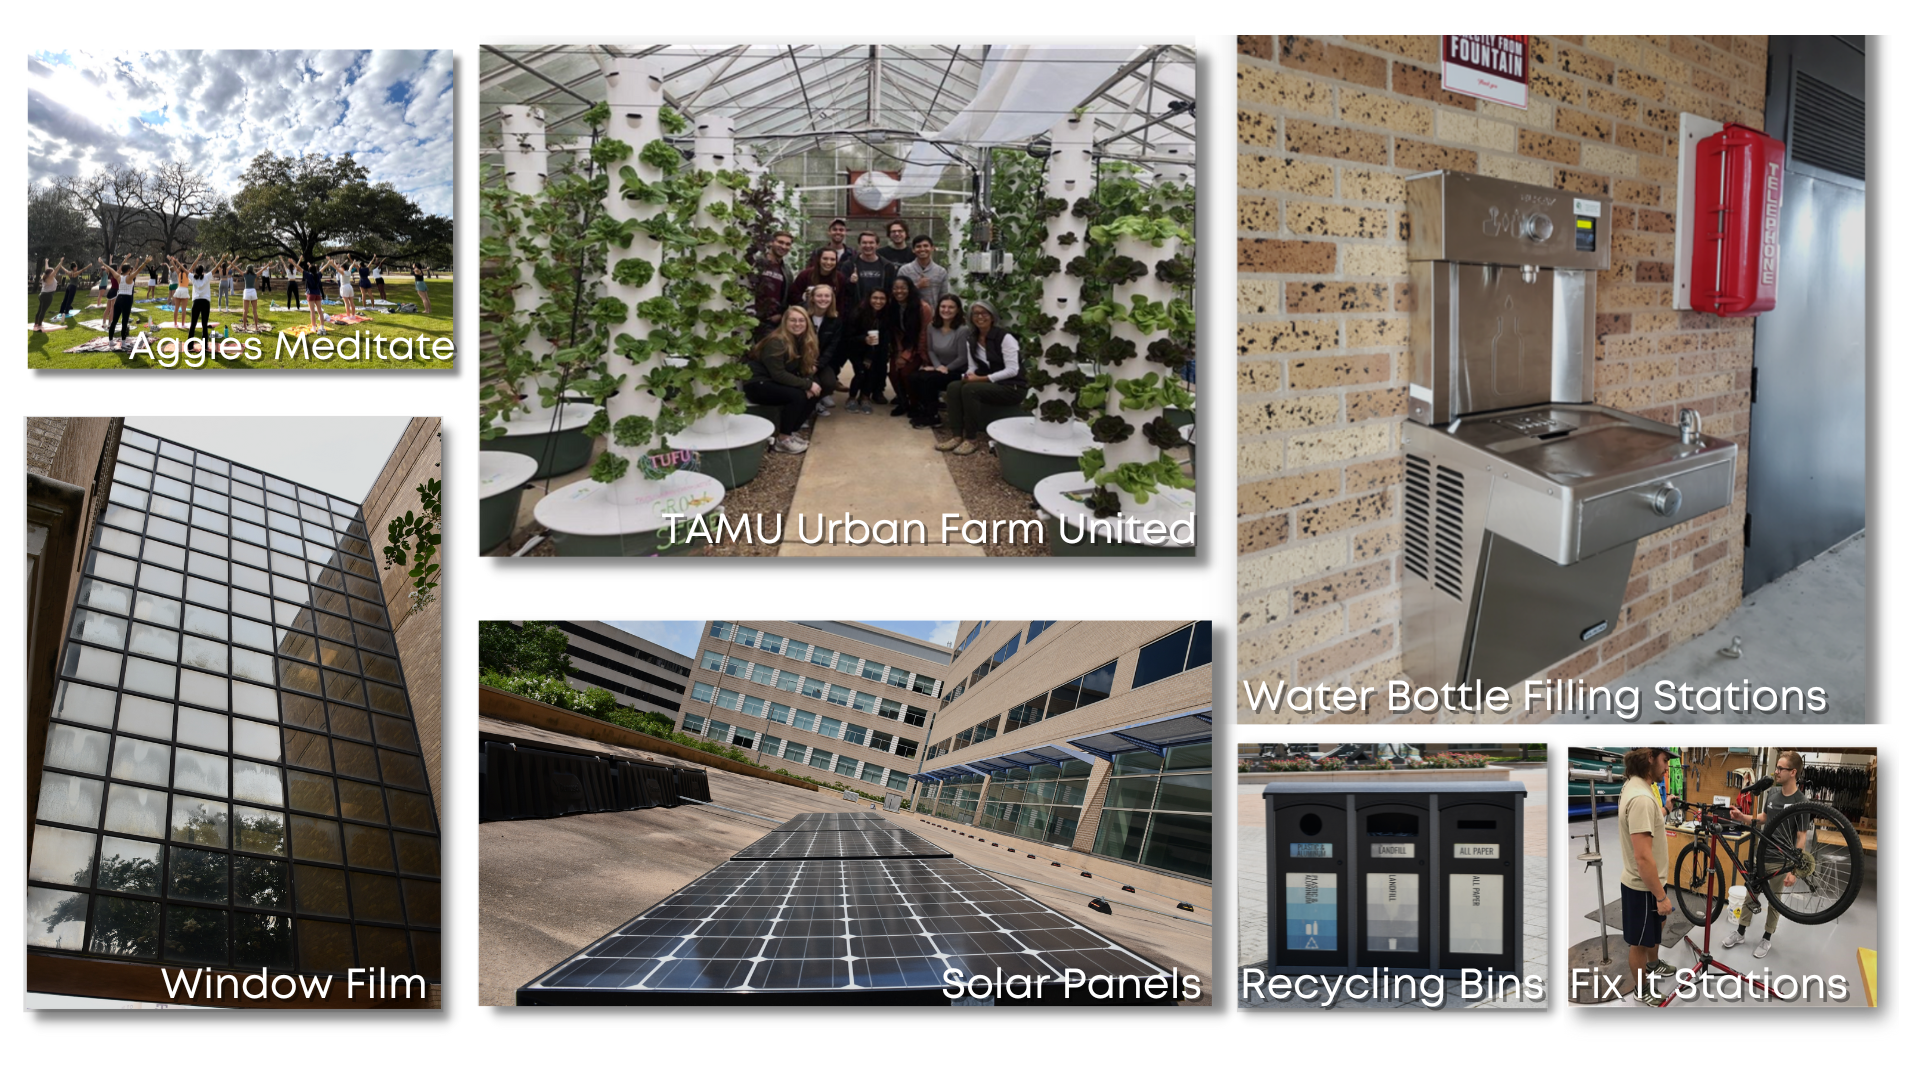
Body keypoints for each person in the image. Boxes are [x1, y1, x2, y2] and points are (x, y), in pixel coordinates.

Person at [1724, 750, 1816, 959]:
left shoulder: (1801, 801)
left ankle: (1766, 938)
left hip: (1781, 861)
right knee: (1751, 894)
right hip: (1762, 856)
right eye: (1776, 768)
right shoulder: (1773, 794)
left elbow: (1801, 837)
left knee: (1775, 902)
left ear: (1793, 772)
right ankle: (1740, 933)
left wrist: (1794, 870)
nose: (1776, 772)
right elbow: (1763, 818)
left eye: (1780, 768)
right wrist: (1742, 817)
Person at [1619, 746, 1679, 1005]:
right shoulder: (1642, 799)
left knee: (1654, 931)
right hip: (1643, 887)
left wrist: (1663, 809)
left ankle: (1654, 965)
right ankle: (1641, 991)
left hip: (1648, 885)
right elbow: (1643, 858)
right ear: (1650, 757)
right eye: (1665, 760)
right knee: (1639, 944)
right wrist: (1660, 896)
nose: (1668, 767)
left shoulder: (1636, 787)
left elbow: (1647, 825)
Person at [936, 299, 1027, 456]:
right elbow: (972, 367)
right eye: (975, 314)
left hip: (1012, 387)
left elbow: (1013, 370)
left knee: (971, 389)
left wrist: (981, 379)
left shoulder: (1005, 338)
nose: (980, 317)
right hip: (991, 384)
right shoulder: (971, 338)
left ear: (992, 316)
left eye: (984, 313)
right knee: (953, 386)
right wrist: (966, 376)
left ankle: (971, 439)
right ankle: (957, 435)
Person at [744, 306, 821, 454]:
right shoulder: (776, 341)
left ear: (807, 323)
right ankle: (783, 440)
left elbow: (806, 368)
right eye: (793, 320)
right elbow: (778, 374)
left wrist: (810, 383)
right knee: (797, 396)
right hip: (757, 384)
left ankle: (790, 432)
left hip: (773, 381)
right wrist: (807, 384)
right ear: (785, 322)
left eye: (801, 320)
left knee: (814, 392)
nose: (797, 324)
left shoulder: (802, 340)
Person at [909, 294, 969, 428]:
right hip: (940, 368)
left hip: (958, 370)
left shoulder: (962, 330)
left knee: (929, 380)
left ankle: (933, 417)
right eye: (943, 306)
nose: (946, 310)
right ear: (938, 308)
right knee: (914, 376)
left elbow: (963, 357)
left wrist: (946, 368)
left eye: (951, 307)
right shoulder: (932, 326)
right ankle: (923, 409)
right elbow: (930, 350)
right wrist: (938, 367)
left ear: (958, 310)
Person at [883, 275, 931, 417]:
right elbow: (896, 333)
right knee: (893, 373)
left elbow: (923, 335)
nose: (899, 291)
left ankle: (915, 404)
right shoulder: (893, 306)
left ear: (910, 289)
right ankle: (903, 403)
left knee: (906, 373)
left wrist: (907, 355)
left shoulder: (923, 308)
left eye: (903, 288)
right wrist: (899, 353)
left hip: (918, 349)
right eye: (895, 288)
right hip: (900, 346)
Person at [844, 288, 890, 414]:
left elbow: (885, 337)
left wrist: (872, 355)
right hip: (856, 349)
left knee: (871, 373)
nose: (878, 301)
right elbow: (848, 337)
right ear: (869, 298)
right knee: (861, 373)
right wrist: (864, 339)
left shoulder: (885, 315)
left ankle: (865, 397)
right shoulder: (858, 313)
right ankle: (852, 398)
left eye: (882, 298)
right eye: (875, 298)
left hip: (873, 350)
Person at [802, 282, 846, 416]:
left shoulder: (835, 320)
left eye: (827, 296)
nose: (823, 299)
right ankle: (805, 409)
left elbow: (832, 347)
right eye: (819, 295)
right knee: (810, 383)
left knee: (829, 383)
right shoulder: (802, 315)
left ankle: (817, 402)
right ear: (812, 298)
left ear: (832, 299)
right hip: (800, 359)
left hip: (820, 360)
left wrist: (819, 365)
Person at [752, 230, 794, 337]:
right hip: (752, 317)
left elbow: (787, 297)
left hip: (772, 323)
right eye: (780, 242)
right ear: (771, 242)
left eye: (788, 244)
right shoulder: (756, 263)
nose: (784, 246)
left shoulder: (787, 272)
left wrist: (781, 314)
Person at [789, 247, 851, 312]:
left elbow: (841, 302)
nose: (828, 262)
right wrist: (804, 299)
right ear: (818, 259)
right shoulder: (805, 275)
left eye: (832, 259)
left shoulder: (840, 278)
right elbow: (792, 297)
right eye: (825, 259)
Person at [846, 231, 895, 311]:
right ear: (859, 245)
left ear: (877, 245)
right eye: (864, 243)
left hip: (881, 312)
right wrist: (850, 282)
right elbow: (844, 291)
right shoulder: (849, 265)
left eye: (871, 243)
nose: (867, 245)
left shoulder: (888, 266)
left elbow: (891, 290)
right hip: (856, 313)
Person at [897, 234, 948, 307]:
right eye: (918, 246)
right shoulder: (904, 270)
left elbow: (943, 297)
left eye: (925, 246)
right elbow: (899, 294)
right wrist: (918, 286)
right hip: (909, 313)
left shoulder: (941, 272)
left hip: (933, 314)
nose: (922, 249)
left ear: (932, 248)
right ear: (913, 250)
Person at [186, 257, 215, 342]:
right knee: (204, 325)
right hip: (205, 303)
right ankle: (205, 345)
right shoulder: (207, 277)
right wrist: (222, 259)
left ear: (196, 271)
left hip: (196, 302)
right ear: (203, 271)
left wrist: (176, 261)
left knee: (193, 324)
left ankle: (190, 345)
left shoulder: (193, 277)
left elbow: (184, 269)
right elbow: (216, 267)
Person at [33, 258, 62, 331]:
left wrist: (46, 261)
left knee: (40, 310)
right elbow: (55, 269)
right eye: (52, 273)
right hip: (47, 296)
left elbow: (47, 269)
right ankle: (39, 325)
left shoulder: (46, 276)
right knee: (43, 311)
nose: (54, 273)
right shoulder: (50, 277)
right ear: (51, 273)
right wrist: (60, 262)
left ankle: (36, 323)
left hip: (42, 295)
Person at [240, 261, 263, 328]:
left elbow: (237, 269)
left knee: (245, 311)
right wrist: (268, 265)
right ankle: (256, 326)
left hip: (247, 291)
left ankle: (244, 326)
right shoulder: (254, 275)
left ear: (247, 269)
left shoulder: (245, 275)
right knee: (255, 311)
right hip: (253, 292)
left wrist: (231, 264)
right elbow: (262, 270)